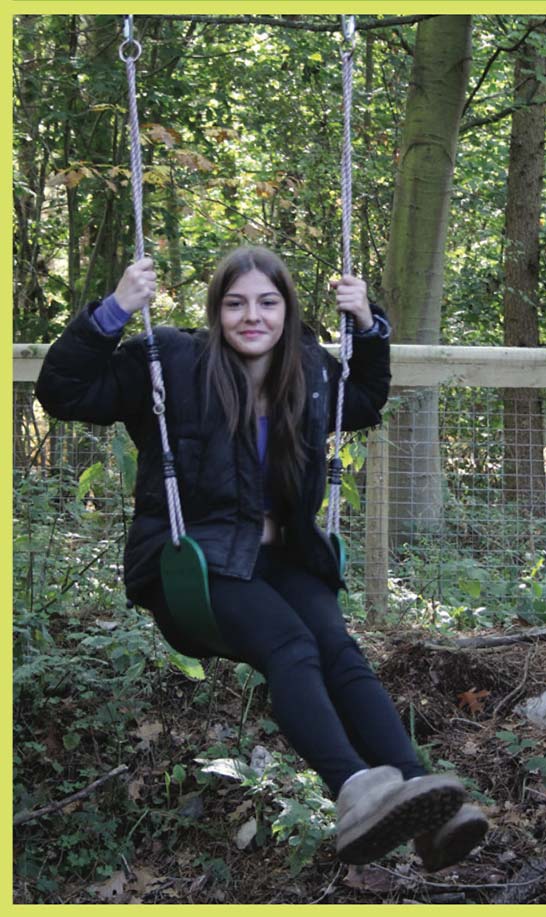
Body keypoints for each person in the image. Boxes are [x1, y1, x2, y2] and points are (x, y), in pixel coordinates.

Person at [36, 248, 488, 871]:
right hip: (195, 563)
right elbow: (63, 391)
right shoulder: (171, 361)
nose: (253, 316)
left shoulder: (310, 370)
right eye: (236, 303)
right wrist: (115, 310)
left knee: (339, 650)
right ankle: (355, 791)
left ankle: (423, 803)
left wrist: (367, 326)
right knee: (291, 646)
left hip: (282, 556)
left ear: (287, 310)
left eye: (267, 303)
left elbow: (363, 399)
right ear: (216, 311)